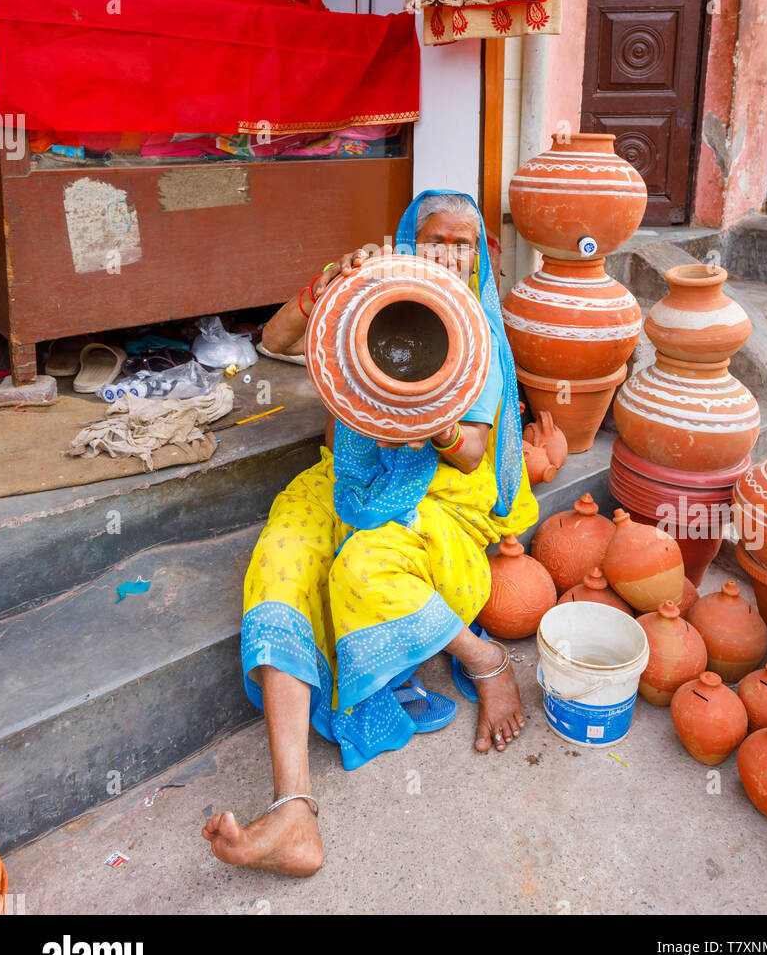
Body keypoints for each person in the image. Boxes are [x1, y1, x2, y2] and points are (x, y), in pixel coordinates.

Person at [202, 190, 539, 877]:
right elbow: (271, 342)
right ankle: (293, 807)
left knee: (362, 569)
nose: (449, 254)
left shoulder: (470, 330)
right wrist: (329, 290)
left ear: (480, 255)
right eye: (435, 239)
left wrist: (428, 411)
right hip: (349, 477)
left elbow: (471, 453)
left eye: (465, 243)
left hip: (443, 491)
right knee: (283, 557)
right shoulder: (369, 290)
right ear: (408, 241)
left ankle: (482, 659)